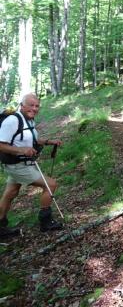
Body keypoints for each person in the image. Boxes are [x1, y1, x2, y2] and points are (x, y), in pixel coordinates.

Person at [0, 93, 62, 237]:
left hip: (20, 164)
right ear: (22, 105)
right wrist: (21, 150)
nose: (34, 108)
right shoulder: (12, 121)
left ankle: (0, 226)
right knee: (50, 185)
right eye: (31, 105)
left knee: (10, 193)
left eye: (37, 106)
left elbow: (31, 139)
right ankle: (46, 223)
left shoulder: (29, 120)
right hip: (17, 165)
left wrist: (49, 142)